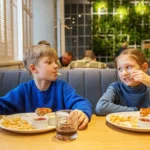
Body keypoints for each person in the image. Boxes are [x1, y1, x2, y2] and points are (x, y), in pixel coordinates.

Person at [0, 45, 92, 130]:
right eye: (49, 62)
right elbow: (3, 104)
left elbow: (81, 102)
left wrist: (81, 111)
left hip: (58, 136)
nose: (56, 66)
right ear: (33, 69)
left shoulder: (62, 87)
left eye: (55, 62)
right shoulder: (23, 90)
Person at [95, 48, 150, 116]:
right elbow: (100, 107)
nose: (124, 73)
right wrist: (135, 111)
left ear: (144, 67)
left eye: (129, 67)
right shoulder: (115, 87)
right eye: (120, 69)